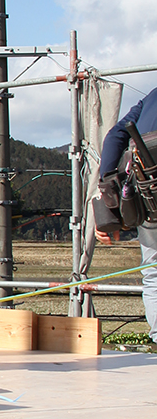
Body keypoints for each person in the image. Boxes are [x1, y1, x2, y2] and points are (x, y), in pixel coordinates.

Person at [95, 88, 157, 347]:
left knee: (153, 273)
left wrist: (109, 195)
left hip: (149, 193)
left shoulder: (153, 96)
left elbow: (114, 137)